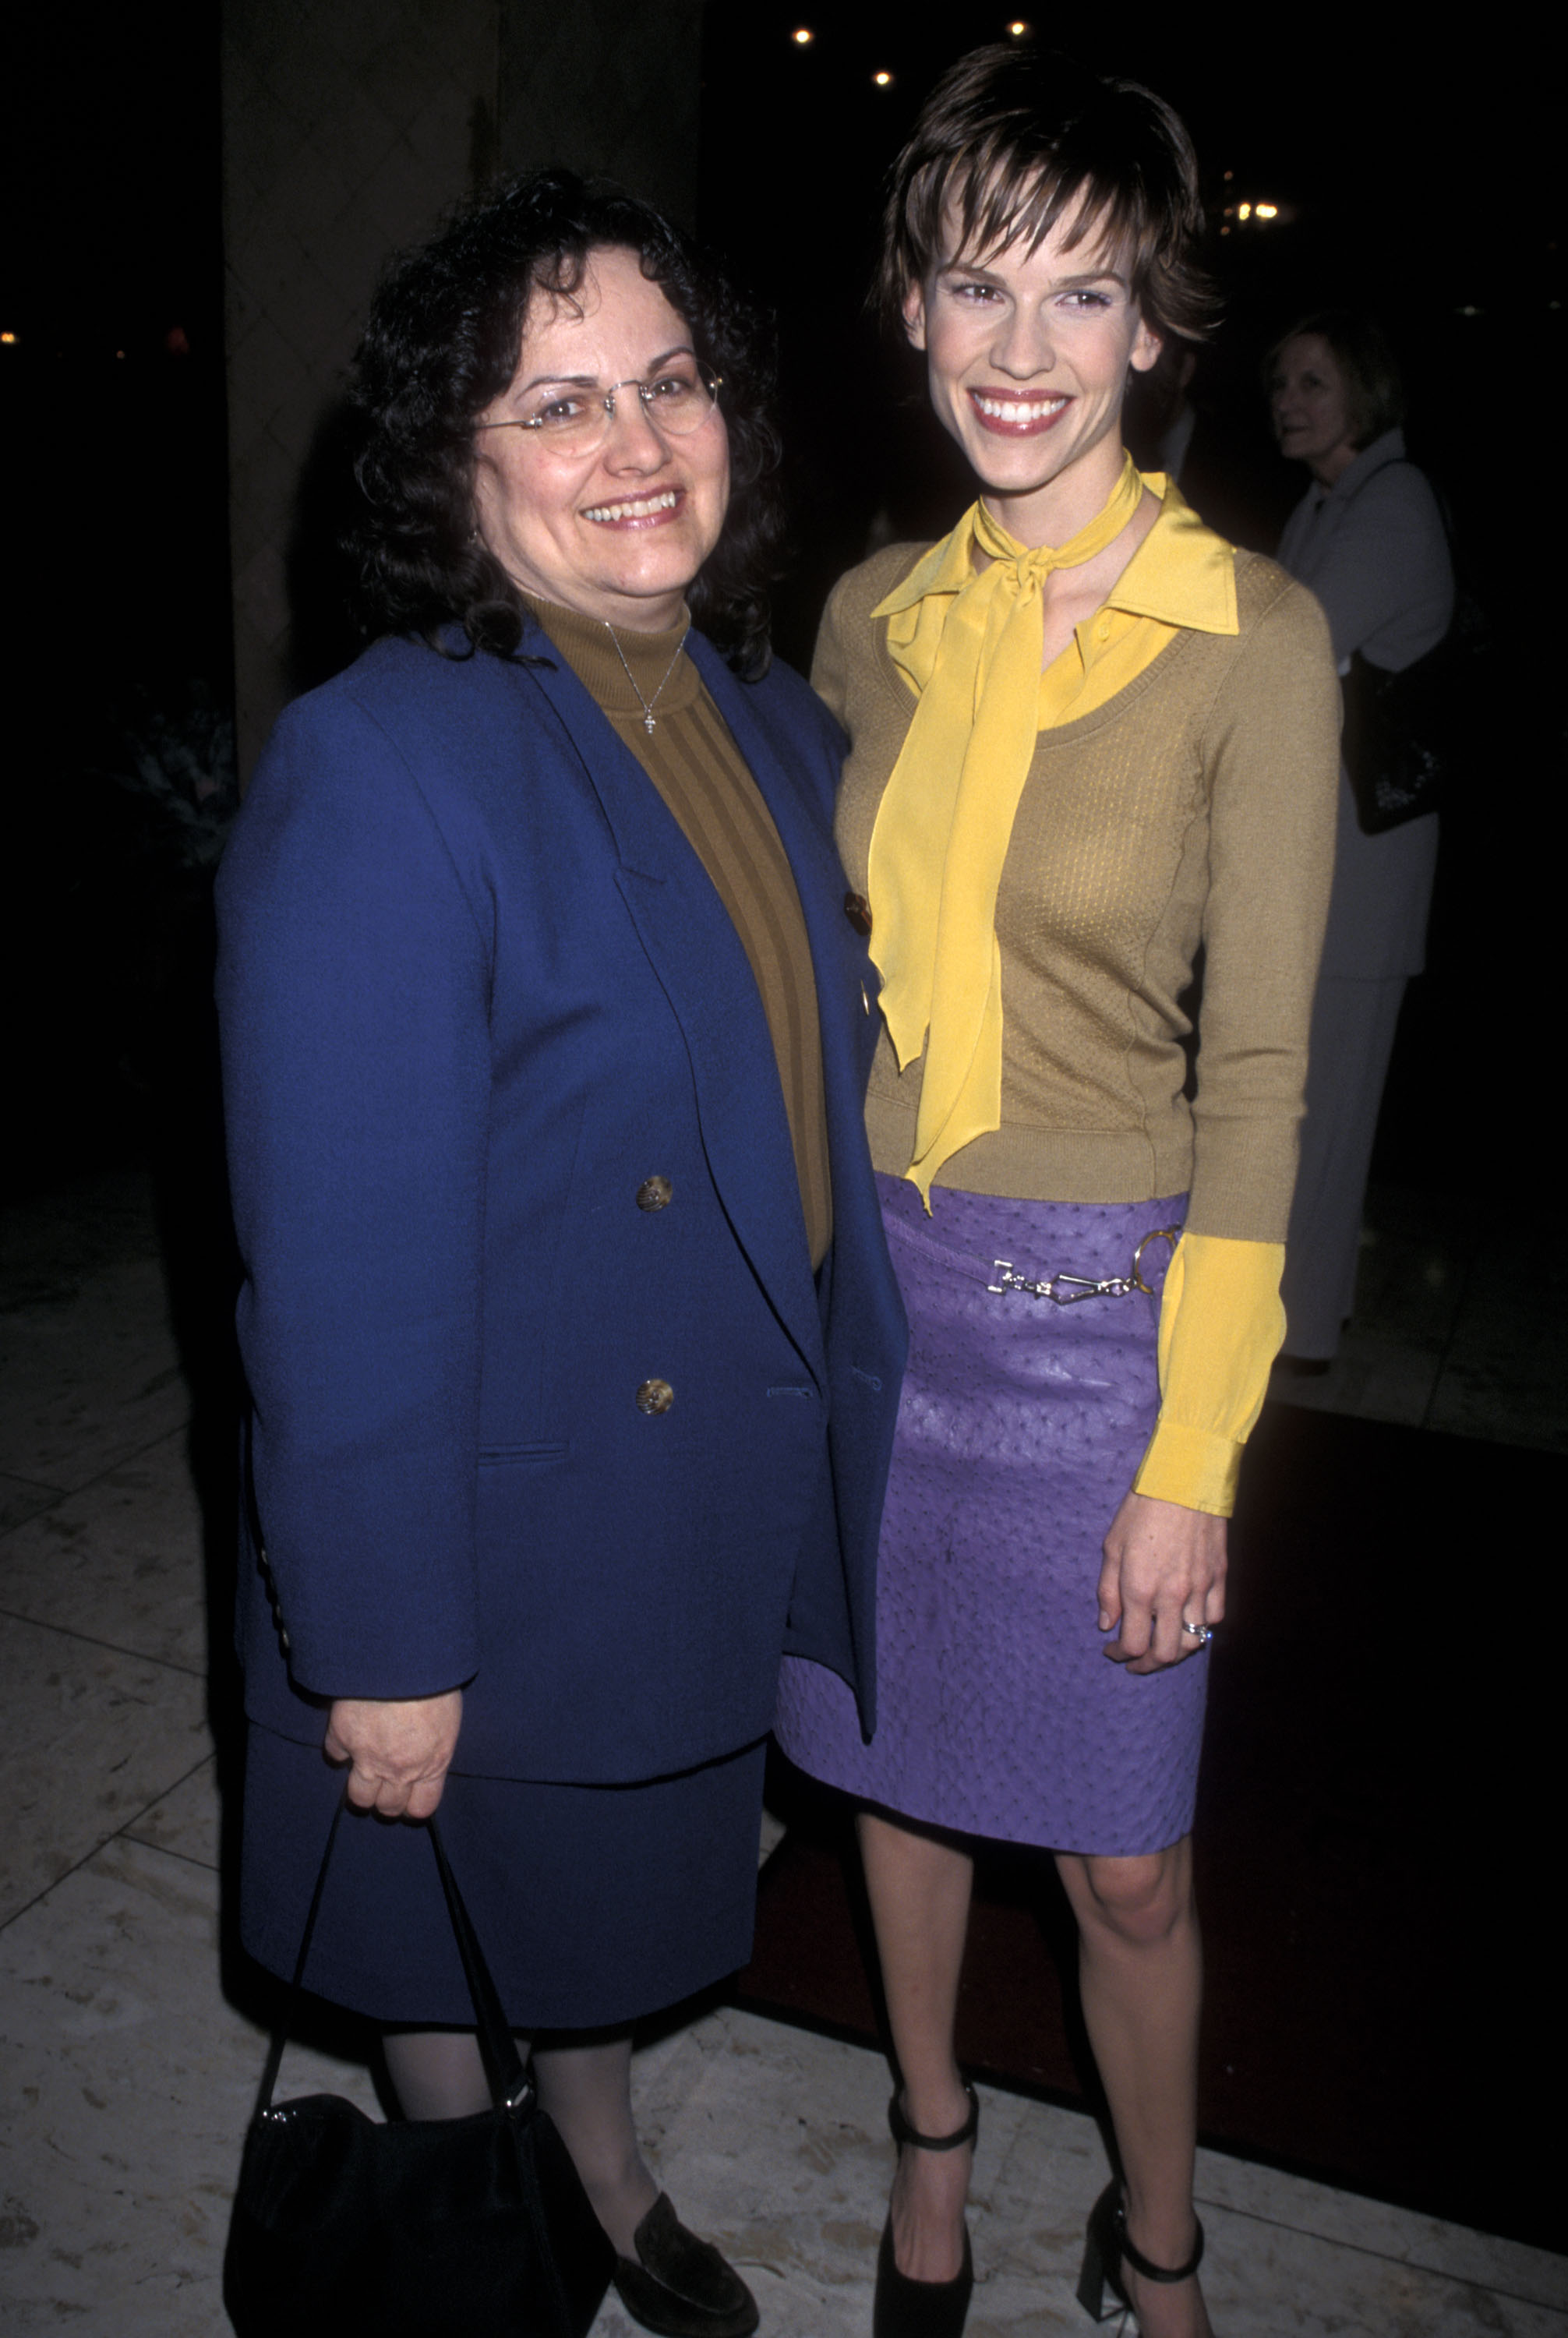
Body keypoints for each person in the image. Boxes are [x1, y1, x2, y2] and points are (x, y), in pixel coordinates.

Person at [215, 168, 906, 2338]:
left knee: (603, 1904)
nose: (635, 443)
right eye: (556, 402)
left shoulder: (769, 717)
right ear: (457, 462)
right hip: (489, 1523)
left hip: (679, 1482)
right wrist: (386, 1641)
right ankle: (475, 2201)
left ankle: (597, 2168)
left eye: (668, 382)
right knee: (447, 1925)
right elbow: (345, 1272)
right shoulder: (385, 762)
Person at [771, 46, 1339, 2337]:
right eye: (973, 282)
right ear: (909, 309)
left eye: (1079, 295)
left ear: (1150, 329)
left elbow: (1265, 1083)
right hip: (877, 1309)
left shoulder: (1252, 645)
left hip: (1102, 1334)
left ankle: (1159, 2240)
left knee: (1122, 1866)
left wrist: (1188, 1455)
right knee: (893, 1790)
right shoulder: (868, 621)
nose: (1020, 349)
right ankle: (930, 2152)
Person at [1267, 313, 1454, 1364]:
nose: (1289, 400)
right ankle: (1293, 1315)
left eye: (1313, 382)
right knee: (1303, 1100)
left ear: (1365, 392)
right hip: (1326, 862)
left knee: (1326, 1108)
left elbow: (1290, 645)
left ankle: (1301, 1328)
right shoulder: (1331, 500)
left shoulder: (1393, 502)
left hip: (1362, 869)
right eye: (1282, 383)